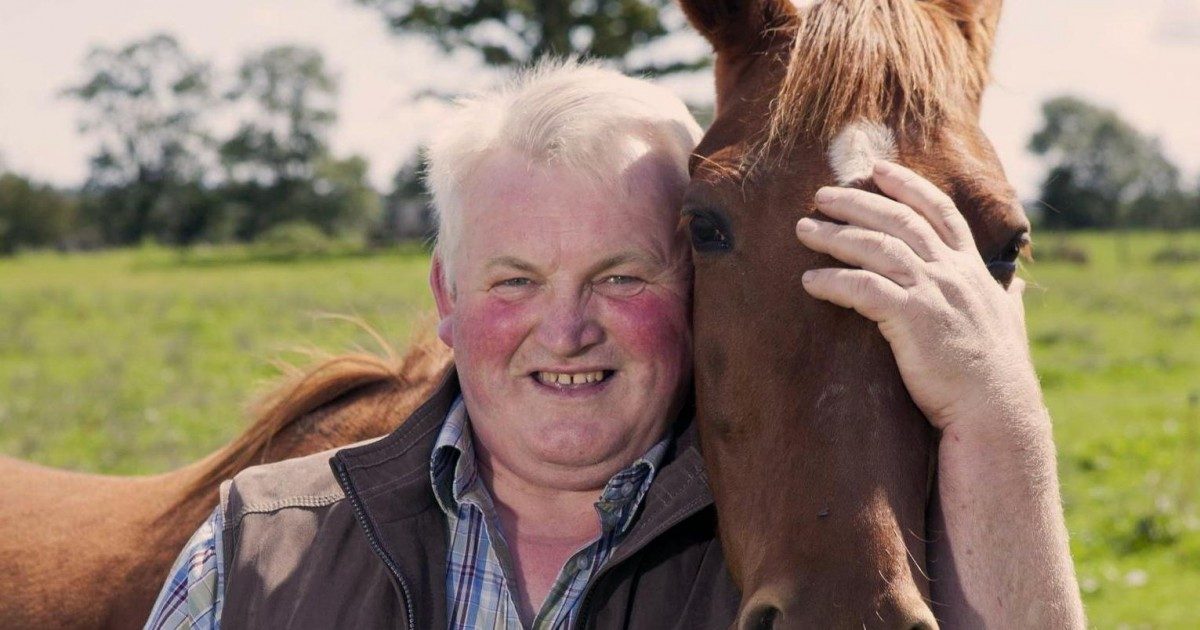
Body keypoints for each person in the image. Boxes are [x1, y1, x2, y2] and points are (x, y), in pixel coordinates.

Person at [145, 60, 1083, 629]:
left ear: (698, 293)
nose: (566, 331)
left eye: (621, 277)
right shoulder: (257, 544)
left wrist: (998, 410)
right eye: (514, 280)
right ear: (446, 295)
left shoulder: (804, 563)